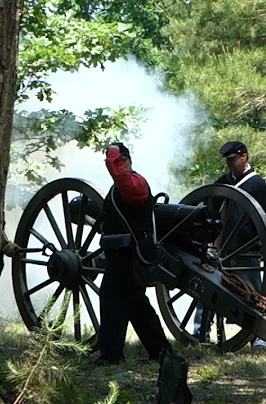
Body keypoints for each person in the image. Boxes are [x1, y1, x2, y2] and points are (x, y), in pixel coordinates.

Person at [96, 142, 172, 366]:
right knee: (136, 305)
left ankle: (111, 355)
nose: (114, 165)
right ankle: (161, 351)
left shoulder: (136, 183)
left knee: (111, 298)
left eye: (118, 160)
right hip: (122, 253)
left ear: (126, 161)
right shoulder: (122, 185)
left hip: (129, 255)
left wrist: (113, 152)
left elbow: (120, 176)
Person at [193, 141, 266, 349]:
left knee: (254, 294)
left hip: (246, 248)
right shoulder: (225, 181)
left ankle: (260, 338)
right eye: (227, 161)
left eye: (232, 160)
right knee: (207, 288)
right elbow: (210, 206)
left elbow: (264, 220)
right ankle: (200, 332)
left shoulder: (258, 185)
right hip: (222, 248)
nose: (229, 165)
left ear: (244, 157)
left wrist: (262, 248)